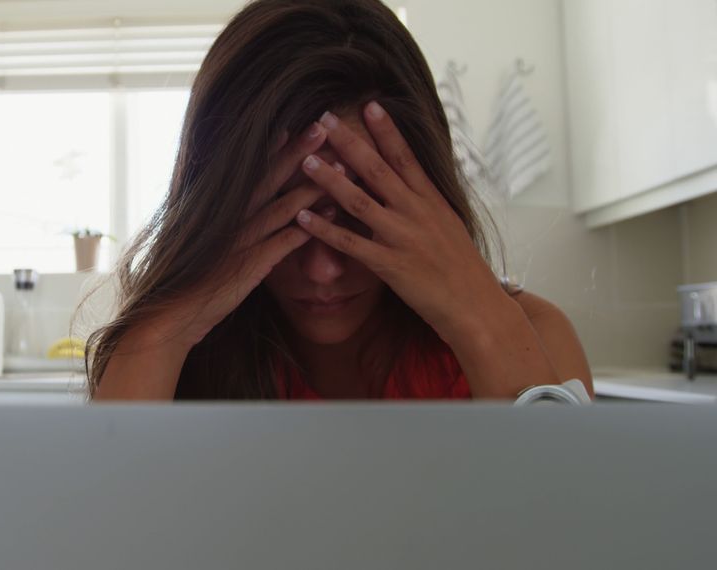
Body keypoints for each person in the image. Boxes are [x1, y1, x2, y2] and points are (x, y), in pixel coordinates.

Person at [88, 0, 592, 401]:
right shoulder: (173, 353)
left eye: (359, 211)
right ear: (220, 209)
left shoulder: (534, 334)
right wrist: (159, 338)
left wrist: (483, 326)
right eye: (283, 216)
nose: (323, 269)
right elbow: (106, 521)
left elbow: (572, 521)